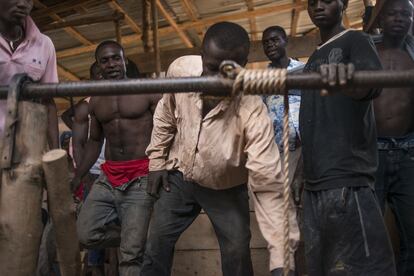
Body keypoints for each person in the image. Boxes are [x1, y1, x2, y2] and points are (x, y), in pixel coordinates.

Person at [142, 22, 299, 276]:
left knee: (237, 248)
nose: (216, 79)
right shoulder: (181, 70)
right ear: (202, 55)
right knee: (156, 242)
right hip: (179, 176)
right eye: (211, 68)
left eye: (227, 72)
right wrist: (157, 161)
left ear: (244, 65)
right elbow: (165, 114)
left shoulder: (252, 111)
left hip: (225, 187)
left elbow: (268, 185)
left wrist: (282, 258)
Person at [300, 0, 396, 275]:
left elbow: (372, 85)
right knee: (324, 266)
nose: (318, 6)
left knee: (369, 267)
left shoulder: (356, 40)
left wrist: (349, 80)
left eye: (327, 1)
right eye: (312, 2)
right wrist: (301, 171)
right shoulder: (315, 56)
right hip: (315, 181)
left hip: (347, 175)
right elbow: (312, 120)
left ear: (342, 5)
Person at [73, 40, 160, 276]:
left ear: (124, 60)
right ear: (98, 66)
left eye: (115, 58)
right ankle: (136, 238)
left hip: (141, 176)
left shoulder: (146, 90)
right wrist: (78, 174)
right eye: (105, 60)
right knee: (85, 234)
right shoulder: (97, 101)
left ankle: (135, 242)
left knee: (131, 259)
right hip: (109, 177)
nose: (111, 64)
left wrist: (161, 168)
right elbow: (94, 141)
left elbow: (167, 130)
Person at [373, 0, 414, 275]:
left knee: (412, 233)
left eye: (406, 14)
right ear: (380, 18)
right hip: (371, 153)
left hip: (409, 151)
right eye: (392, 13)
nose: (399, 18)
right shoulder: (365, 50)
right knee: (369, 232)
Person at [0, 0, 59, 149]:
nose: (22, 4)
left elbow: (48, 101)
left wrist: (56, 152)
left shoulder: (44, 44)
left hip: (26, 150)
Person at [262, 25, 304, 205]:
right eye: (266, 43)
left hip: (303, 150)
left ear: (285, 41)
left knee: (302, 198)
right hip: (277, 152)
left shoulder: (304, 71)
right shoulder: (262, 79)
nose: (270, 45)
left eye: (274, 40)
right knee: (282, 204)